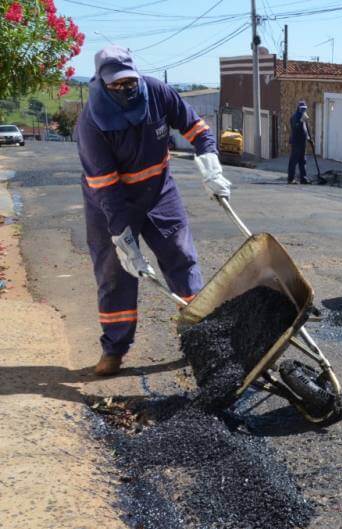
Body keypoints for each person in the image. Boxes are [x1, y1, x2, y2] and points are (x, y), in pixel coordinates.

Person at [76, 46, 230, 376]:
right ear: (103, 82)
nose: (124, 89)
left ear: (136, 75)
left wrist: (210, 163)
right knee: (115, 272)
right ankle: (115, 350)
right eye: (116, 84)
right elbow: (107, 190)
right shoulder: (91, 123)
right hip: (110, 204)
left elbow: (196, 128)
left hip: (159, 191)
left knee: (180, 254)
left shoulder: (157, 93)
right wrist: (123, 238)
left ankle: (196, 334)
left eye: (128, 81)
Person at [288, 100, 310, 185]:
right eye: (302, 108)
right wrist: (301, 120)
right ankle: (291, 178)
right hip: (296, 142)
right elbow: (295, 127)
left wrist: (308, 137)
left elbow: (305, 129)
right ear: (298, 108)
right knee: (293, 160)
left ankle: (303, 178)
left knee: (303, 160)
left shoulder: (303, 117)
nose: (303, 110)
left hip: (303, 142)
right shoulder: (295, 117)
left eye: (305, 108)